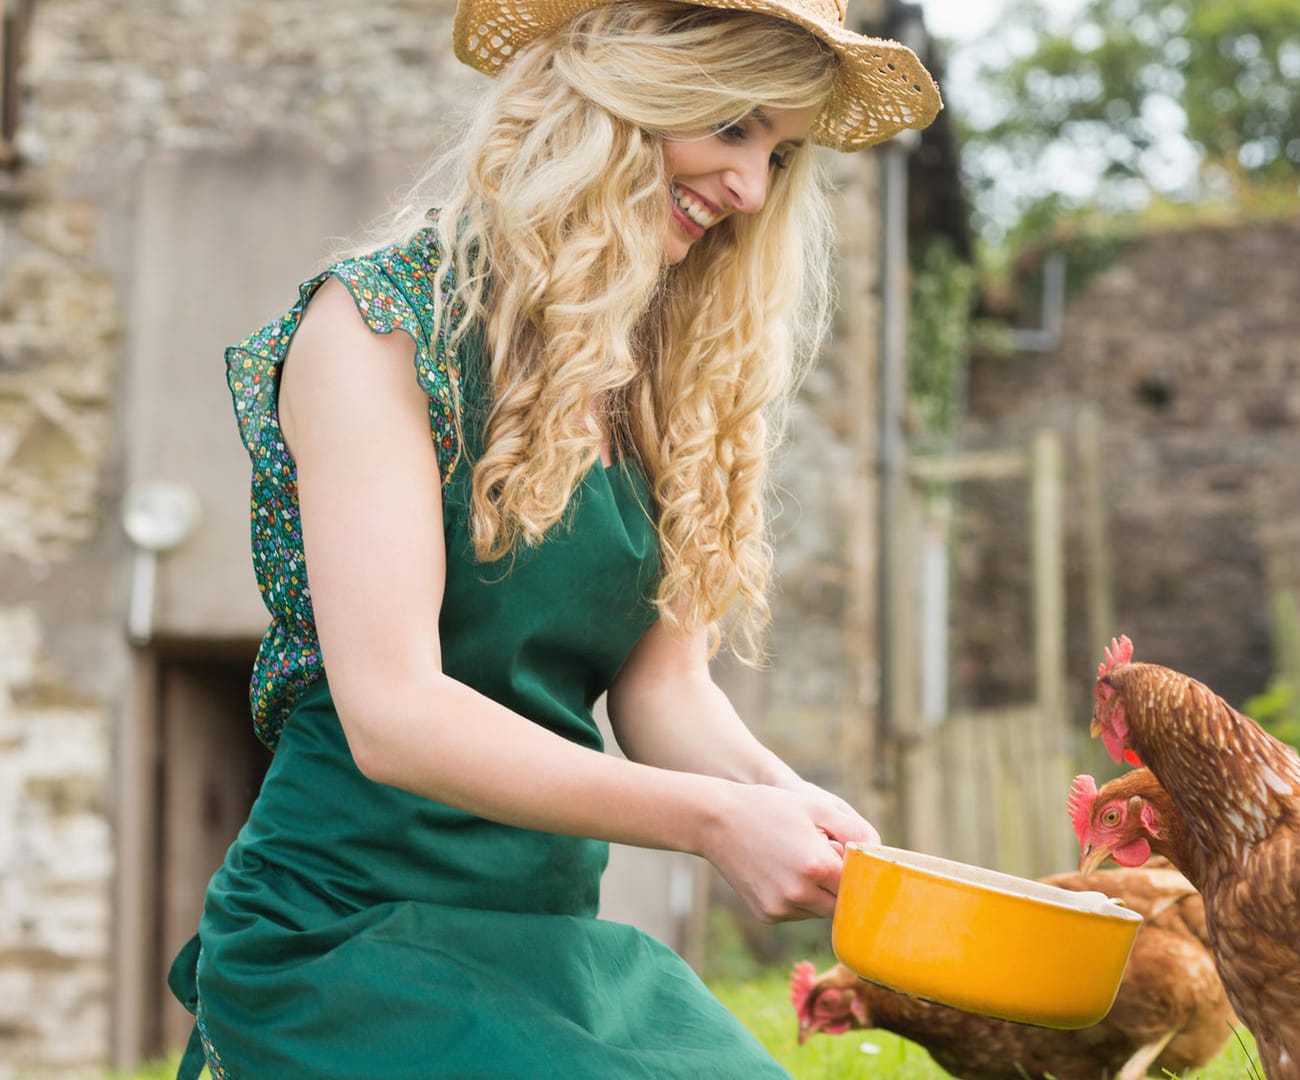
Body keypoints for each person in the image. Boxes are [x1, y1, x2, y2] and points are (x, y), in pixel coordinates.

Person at [165, 1, 939, 1076]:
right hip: (343, 939)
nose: (752, 189)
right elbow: (393, 714)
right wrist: (717, 822)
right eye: (732, 127)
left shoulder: (669, 382)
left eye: (781, 151)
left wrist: (782, 800)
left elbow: (663, 692)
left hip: (549, 936)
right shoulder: (379, 330)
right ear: (623, 92)